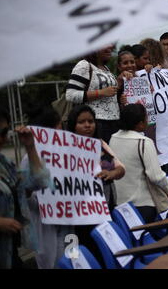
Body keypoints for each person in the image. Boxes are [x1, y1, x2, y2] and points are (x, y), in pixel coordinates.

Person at [67, 105, 125, 260]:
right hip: (82, 215)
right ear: (73, 125)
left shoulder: (100, 144)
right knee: (90, 254)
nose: (87, 125)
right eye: (81, 122)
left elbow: (121, 169)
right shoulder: (65, 148)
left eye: (90, 121)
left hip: (106, 209)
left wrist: (111, 173)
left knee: (109, 253)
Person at [0, 107, 51, 269]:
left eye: (5, 132)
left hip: (9, 251)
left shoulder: (4, 164)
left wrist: (30, 146)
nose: (2, 138)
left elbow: (41, 182)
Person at [25, 106, 73, 269]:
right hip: (46, 225)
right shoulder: (30, 158)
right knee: (53, 263)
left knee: (73, 259)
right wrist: (47, 202)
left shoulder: (67, 153)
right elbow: (26, 197)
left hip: (69, 221)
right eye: (59, 125)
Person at [109, 104, 168, 223]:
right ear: (139, 123)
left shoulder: (113, 138)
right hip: (144, 206)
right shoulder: (144, 142)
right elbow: (156, 176)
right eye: (146, 118)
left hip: (121, 207)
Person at [66, 44, 127, 144]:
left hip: (114, 122)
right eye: (105, 44)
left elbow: (109, 95)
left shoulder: (105, 68)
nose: (110, 47)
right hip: (96, 123)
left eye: (110, 44)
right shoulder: (84, 65)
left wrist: (119, 86)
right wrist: (101, 93)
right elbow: (70, 95)